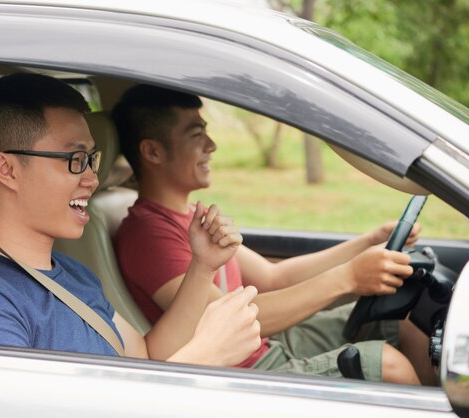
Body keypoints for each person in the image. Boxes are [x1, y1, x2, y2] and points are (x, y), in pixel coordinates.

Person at [112, 84, 437, 385]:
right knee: (386, 364)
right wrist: (347, 278)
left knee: (402, 315)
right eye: (197, 136)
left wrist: (365, 243)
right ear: (152, 152)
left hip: (265, 344)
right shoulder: (149, 235)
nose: (212, 145)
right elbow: (230, 320)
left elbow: (273, 277)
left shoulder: (190, 216)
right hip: (244, 369)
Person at [0, 73, 262, 367]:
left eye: (91, 159)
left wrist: (202, 266)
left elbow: (146, 356)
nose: (91, 178)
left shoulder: (72, 274)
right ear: (7, 170)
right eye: (75, 159)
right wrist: (206, 356)